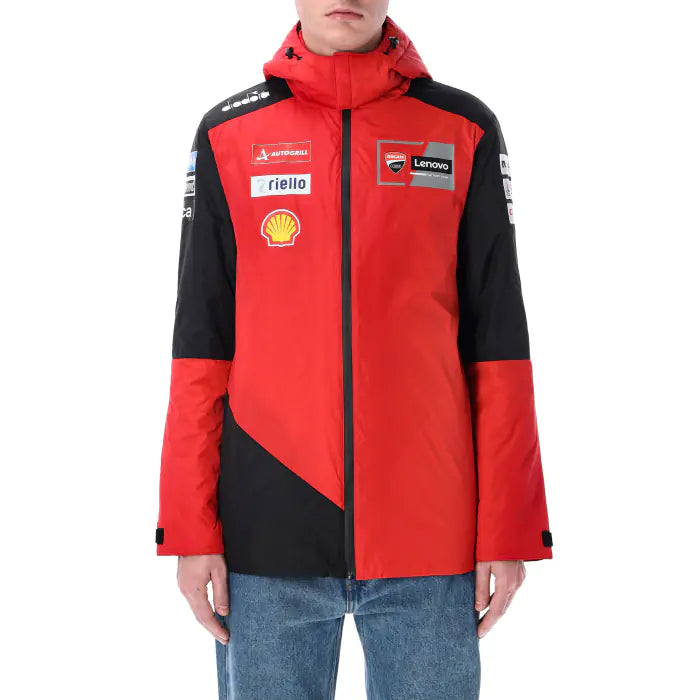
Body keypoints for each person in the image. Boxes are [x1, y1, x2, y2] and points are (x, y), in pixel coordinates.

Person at [155, 1, 553, 697]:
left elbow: (498, 343)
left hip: (432, 535)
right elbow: (200, 345)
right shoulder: (228, 132)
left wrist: (510, 528)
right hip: (266, 532)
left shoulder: (461, 127)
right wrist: (190, 529)